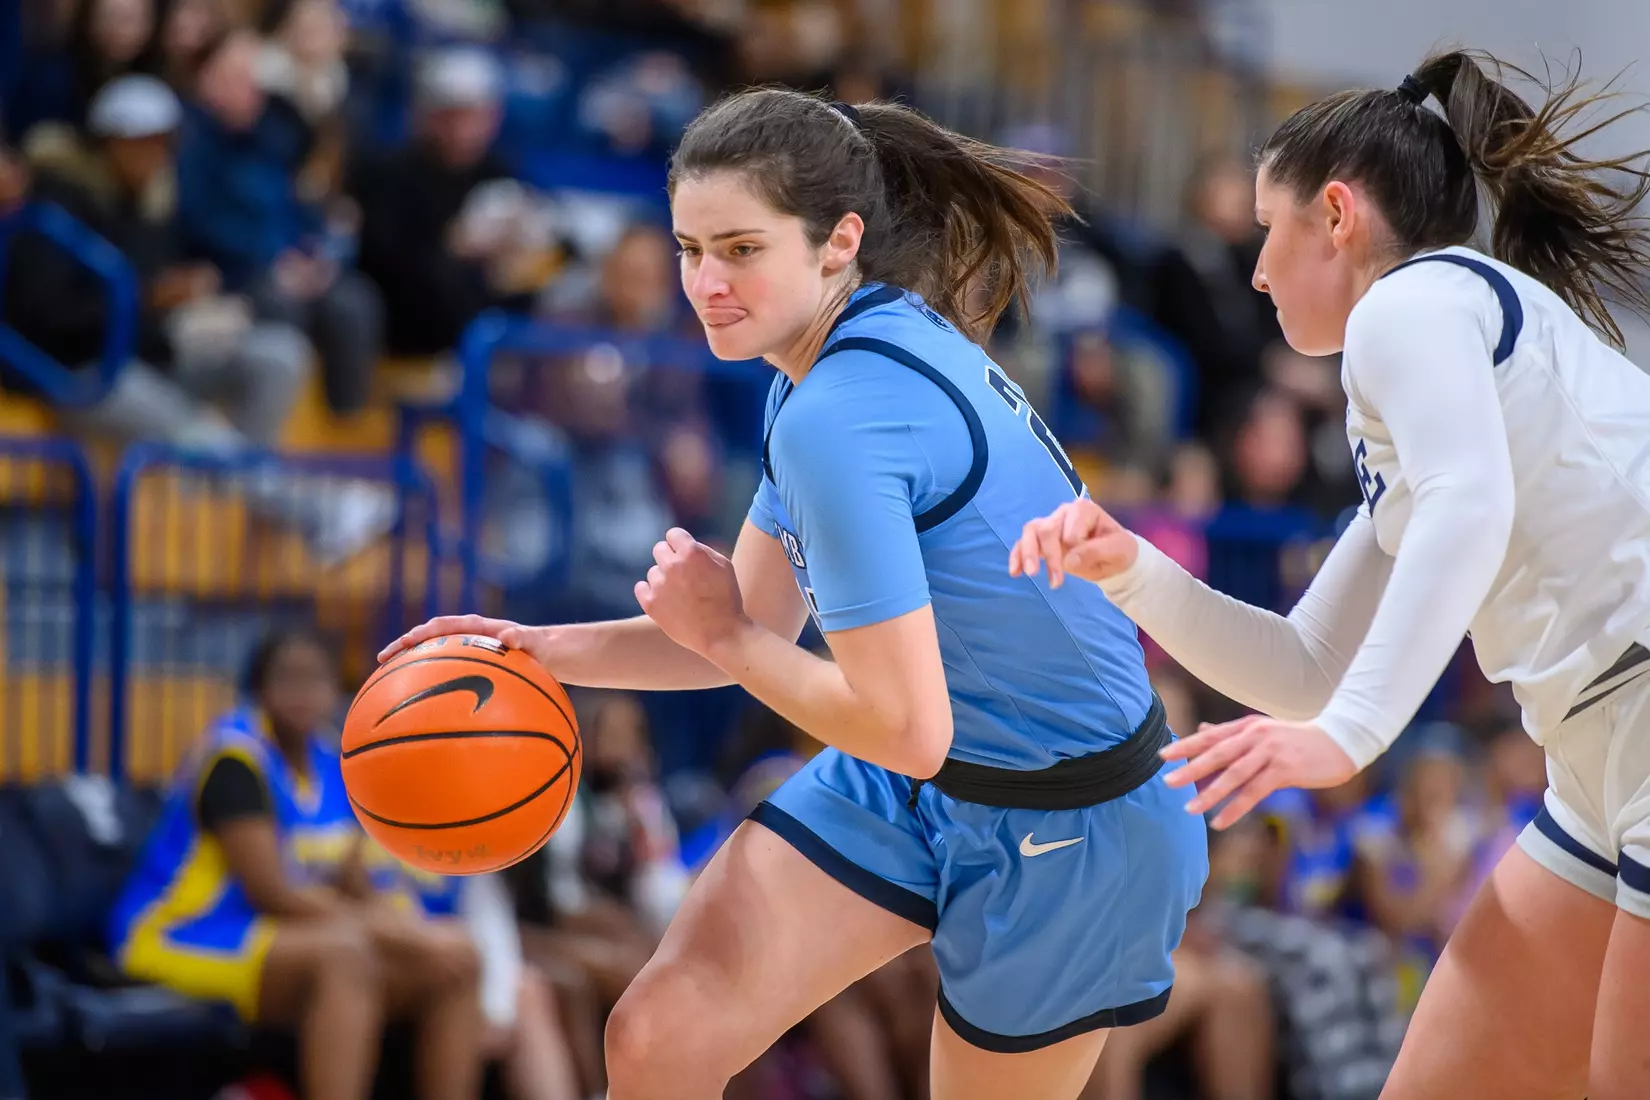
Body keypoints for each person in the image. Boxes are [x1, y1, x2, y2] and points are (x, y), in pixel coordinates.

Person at [381, 88, 1209, 1099]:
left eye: (739, 249)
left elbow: (885, 713)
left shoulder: (842, 415)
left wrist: (726, 635)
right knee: (659, 1033)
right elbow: (749, 634)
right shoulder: (823, 359)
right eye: (689, 249)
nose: (705, 283)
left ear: (838, 240)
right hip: (917, 777)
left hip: (1075, 824)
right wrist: (534, 647)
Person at [1010, 48, 1650, 1100]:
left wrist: (1350, 737)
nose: (1256, 269)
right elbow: (1307, 665)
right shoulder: (1428, 360)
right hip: (1596, 766)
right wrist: (1131, 569)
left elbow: (1469, 506)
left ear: (1338, 215)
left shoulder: (1409, 306)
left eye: (1270, 229)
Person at [107, 627, 485, 1100]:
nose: (303, 693)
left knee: (459, 959)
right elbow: (272, 892)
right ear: (259, 688)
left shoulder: (333, 761)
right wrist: (394, 933)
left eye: (316, 679)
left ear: (336, 690)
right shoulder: (235, 760)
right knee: (347, 958)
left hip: (286, 933)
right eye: (288, 678)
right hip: (184, 930)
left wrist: (415, 932)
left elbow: (355, 882)